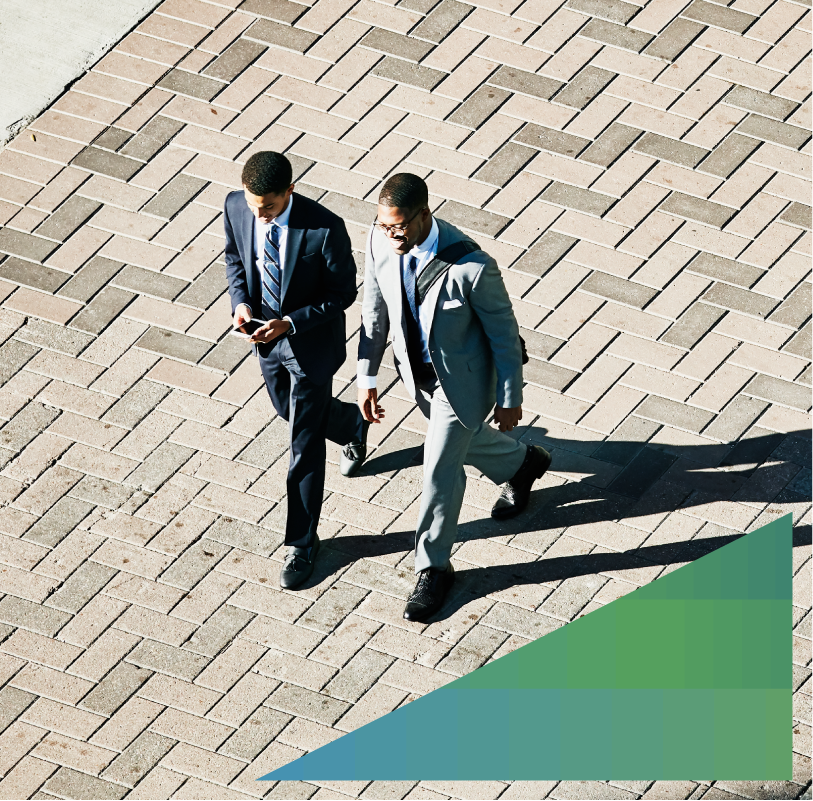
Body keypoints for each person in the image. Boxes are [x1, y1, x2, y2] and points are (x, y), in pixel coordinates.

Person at [357, 174, 552, 622]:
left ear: (425, 214)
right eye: (384, 225)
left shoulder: (472, 266)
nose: (391, 235)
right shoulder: (378, 238)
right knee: (462, 438)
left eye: (399, 226)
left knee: (439, 469)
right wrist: (367, 377)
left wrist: (510, 397)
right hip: (417, 377)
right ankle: (522, 464)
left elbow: (504, 336)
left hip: (462, 384)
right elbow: (374, 310)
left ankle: (433, 567)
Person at [224, 151, 373, 590]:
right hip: (264, 341)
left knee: (303, 444)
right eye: (254, 206)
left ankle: (303, 543)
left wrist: (290, 323)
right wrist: (241, 304)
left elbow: (342, 294)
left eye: (268, 207)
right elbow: (235, 259)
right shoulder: (236, 206)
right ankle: (350, 423)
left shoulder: (324, 229)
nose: (260, 216)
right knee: (286, 412)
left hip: (309, 348)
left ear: (289, 191)